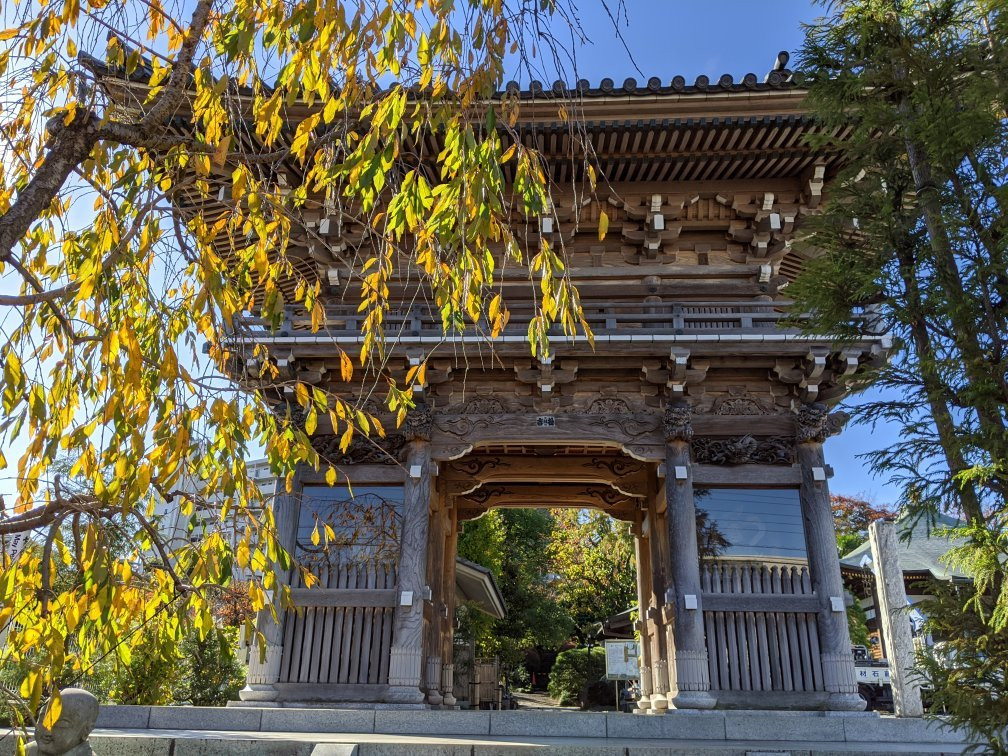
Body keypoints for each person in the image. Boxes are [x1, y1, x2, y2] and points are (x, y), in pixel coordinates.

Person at [28, 688, 99, 756]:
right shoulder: (27, 751)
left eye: (61, 724)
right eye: (43, 719)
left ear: (85, 731)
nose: (47, 732)